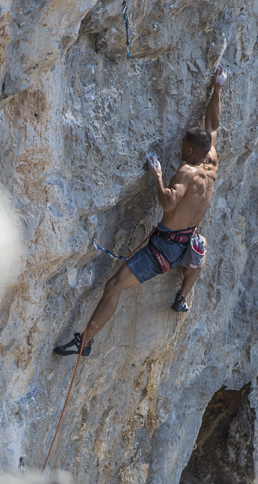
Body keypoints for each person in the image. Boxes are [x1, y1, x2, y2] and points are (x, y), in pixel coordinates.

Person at [53, 64, 228, 357]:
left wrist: (157, 175)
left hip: (164, 249)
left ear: (187, 152)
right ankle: (182, 297)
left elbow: (169, 202)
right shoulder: (211, 160)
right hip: (186, 241)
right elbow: (213, 125)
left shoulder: (186, 172)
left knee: (113, 286)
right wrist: (217, 87)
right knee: (197, 253)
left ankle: (84, 343)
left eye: (183, 146)